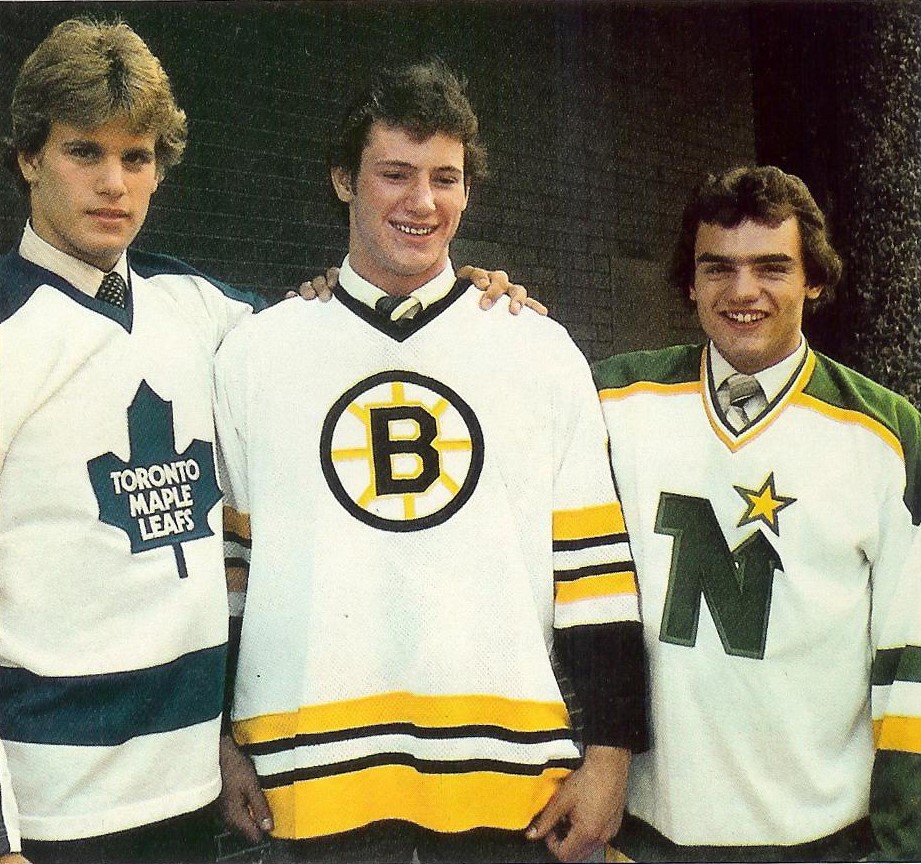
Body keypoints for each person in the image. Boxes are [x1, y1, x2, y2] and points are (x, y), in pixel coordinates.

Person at [0, 18, 532, 864]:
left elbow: (346, 328)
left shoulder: (207, 313)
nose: (113, 184)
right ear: (30, 156)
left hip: (192, 791)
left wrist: (461, 297)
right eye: (83, 152)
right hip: (52, 808)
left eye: (137, 157)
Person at [213, 59, 648, 864]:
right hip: (313, 776)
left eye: (445, 178)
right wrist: (219, 740)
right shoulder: (255, 353)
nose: (422, 201)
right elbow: (230, 573)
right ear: (342, 180)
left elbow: (594, 574)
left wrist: (611, 755)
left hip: (508, 780)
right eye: (394, 174)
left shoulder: (536, 348)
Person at [593, 166, 921, 861]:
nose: (742, 291)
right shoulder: (614, 400)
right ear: (689, 282)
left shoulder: (886, 436)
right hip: (646, 839)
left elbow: (910, 665)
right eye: (717, 267)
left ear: (813, 280)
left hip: (821, 845)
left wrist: (902, 849)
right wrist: (479, 306)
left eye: (772, 267)